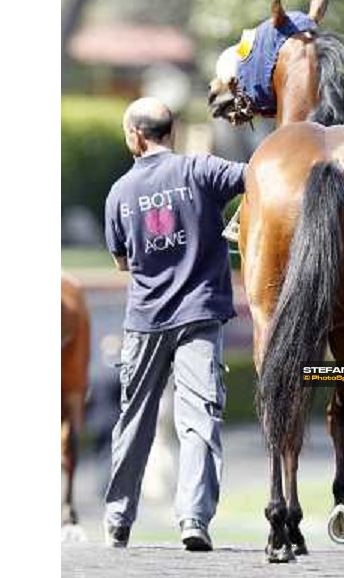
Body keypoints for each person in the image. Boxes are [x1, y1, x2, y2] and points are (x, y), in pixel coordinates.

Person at [103, 97, 246, 551]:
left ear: (135, 135)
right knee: (200, 419)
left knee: (134, 420)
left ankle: (118, 520)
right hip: (200, 316)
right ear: (172, 132)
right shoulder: (201, 170)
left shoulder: (119, 193)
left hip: (145, 321)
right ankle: (193, 521)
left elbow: (123, 263)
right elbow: (259, 176)